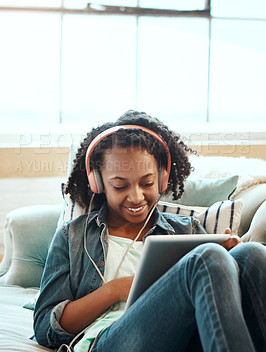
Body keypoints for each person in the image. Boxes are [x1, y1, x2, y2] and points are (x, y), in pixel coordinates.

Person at [34, 110, 266, 352]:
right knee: (207, 257)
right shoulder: (72, 237)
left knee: (252, 253)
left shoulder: (187, 230)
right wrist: (114, 290)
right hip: (110, 341)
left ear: (163, 178)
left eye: (147, 183)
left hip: (185, 337)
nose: (135, 197)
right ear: (98, 182)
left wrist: (232, 264)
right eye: (120, 185)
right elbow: (44, 328)